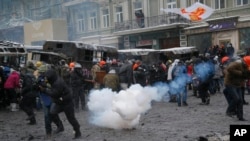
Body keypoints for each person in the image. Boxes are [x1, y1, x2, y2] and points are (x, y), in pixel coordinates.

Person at [39, 69, 81, 139]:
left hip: (67, 102)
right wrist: (45, 85)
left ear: (51, 77)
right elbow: (52, 87)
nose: (47, 79)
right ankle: (60, 126)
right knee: (52, 113)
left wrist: (44, 90)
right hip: (59, 102)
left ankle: (77, 131)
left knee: (71, 119)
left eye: (48, 78)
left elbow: (54, 93)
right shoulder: (55, 80)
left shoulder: (58, 82)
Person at [36, 65, 64, 139]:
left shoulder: (53, 78)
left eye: (43, 73)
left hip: (52, 98)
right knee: (47, 115)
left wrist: (46, 85)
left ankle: (59, 126)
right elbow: (37, 87)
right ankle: (48, 132)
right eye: (41, 73)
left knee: (52, 113)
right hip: (45, 98)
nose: (41, 74)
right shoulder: (39, 79)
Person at [224, 55, 250, 121]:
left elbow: (246, 76)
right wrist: (240, 73)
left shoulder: (246, 67)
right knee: (236, 98)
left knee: (240, 101)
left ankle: (240, 116)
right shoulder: (237, 63)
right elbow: (229, 69)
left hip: (238, 84)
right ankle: (229, 111)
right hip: (230, 83)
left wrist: (247, 75)